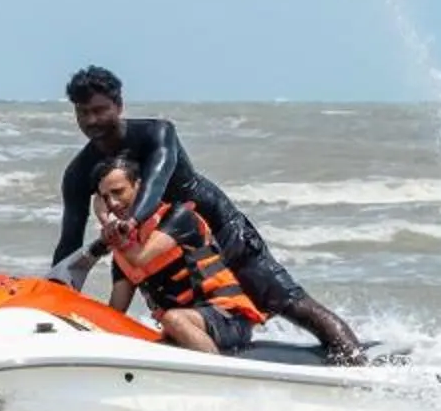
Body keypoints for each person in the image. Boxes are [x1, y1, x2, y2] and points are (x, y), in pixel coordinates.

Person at [46, 65, 366, 364]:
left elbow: (155, 184)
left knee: (287, 301)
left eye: (100, 110)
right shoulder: (79, 173)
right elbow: (69, 242)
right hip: (168, 248)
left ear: (119, 106)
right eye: (83, 112)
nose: (92, 120)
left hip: (220, 230)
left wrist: (129, 222)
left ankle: (358, 364)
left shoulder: (157, 133)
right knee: (182, 322)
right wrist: (53, 295)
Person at [91, 159, 262, 355]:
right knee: (146, 351)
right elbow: (115, 311)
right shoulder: (124, 254)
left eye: (118, 192)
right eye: (105, 198)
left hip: (228, 317)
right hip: (184, 326)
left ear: (140, 186)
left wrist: (105, 222)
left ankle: (220, 371)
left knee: (172, 319)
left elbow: (141, 257)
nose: (112, 203)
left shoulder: (178, 217)